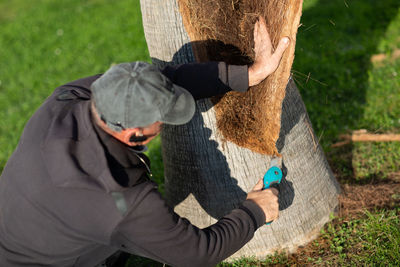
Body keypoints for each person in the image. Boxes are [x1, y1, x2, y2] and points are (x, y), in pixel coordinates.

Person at [0, 18, 289, 267]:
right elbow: (196, 254)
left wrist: (248, 74)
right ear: (133, 133)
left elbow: (163, 80)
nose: (165, 122)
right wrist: (255, 211)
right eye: (161, 119)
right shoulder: (118, 199)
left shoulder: (67, 100)